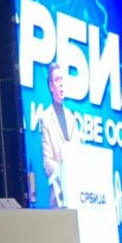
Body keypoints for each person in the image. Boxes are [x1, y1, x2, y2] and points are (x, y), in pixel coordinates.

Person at [40, 62, 77, 207]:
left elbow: (78, 154)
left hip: (77, 192)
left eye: (62, 79)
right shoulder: (45, 118)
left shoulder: (72, 118)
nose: (61, 84)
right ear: (51, 86)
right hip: (58, 195)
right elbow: (47, 163)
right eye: (57, 80)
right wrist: (64, 172)